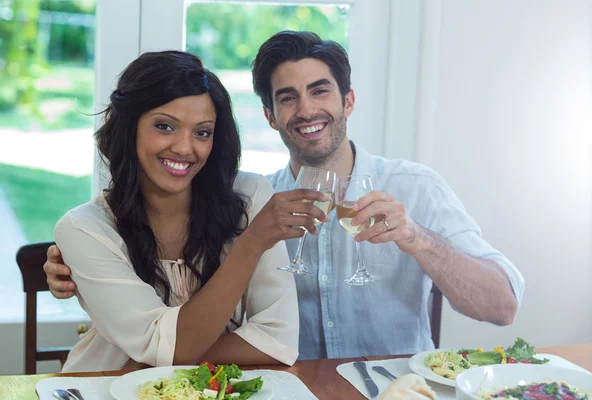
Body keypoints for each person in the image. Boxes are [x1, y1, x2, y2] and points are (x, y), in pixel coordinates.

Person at [45, 32, 524, 361]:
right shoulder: (256, 200)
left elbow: (502, 307)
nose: (307, 110)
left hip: (392, 389)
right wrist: (81, 273)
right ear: (271, 115)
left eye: (321, 91)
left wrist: (418, 238)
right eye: (287, 97)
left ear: (348, 101)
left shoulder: (414, 187)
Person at [50, 50, 331, 372]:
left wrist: (149, 360)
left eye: (202, 132)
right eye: (165, 126)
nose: (185, 148)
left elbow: (277, 341)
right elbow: (168, 349)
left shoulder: (251, 196)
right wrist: (251, 244)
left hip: (206, 387)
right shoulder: (84, 229)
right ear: (128, 127)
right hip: (105, 383)